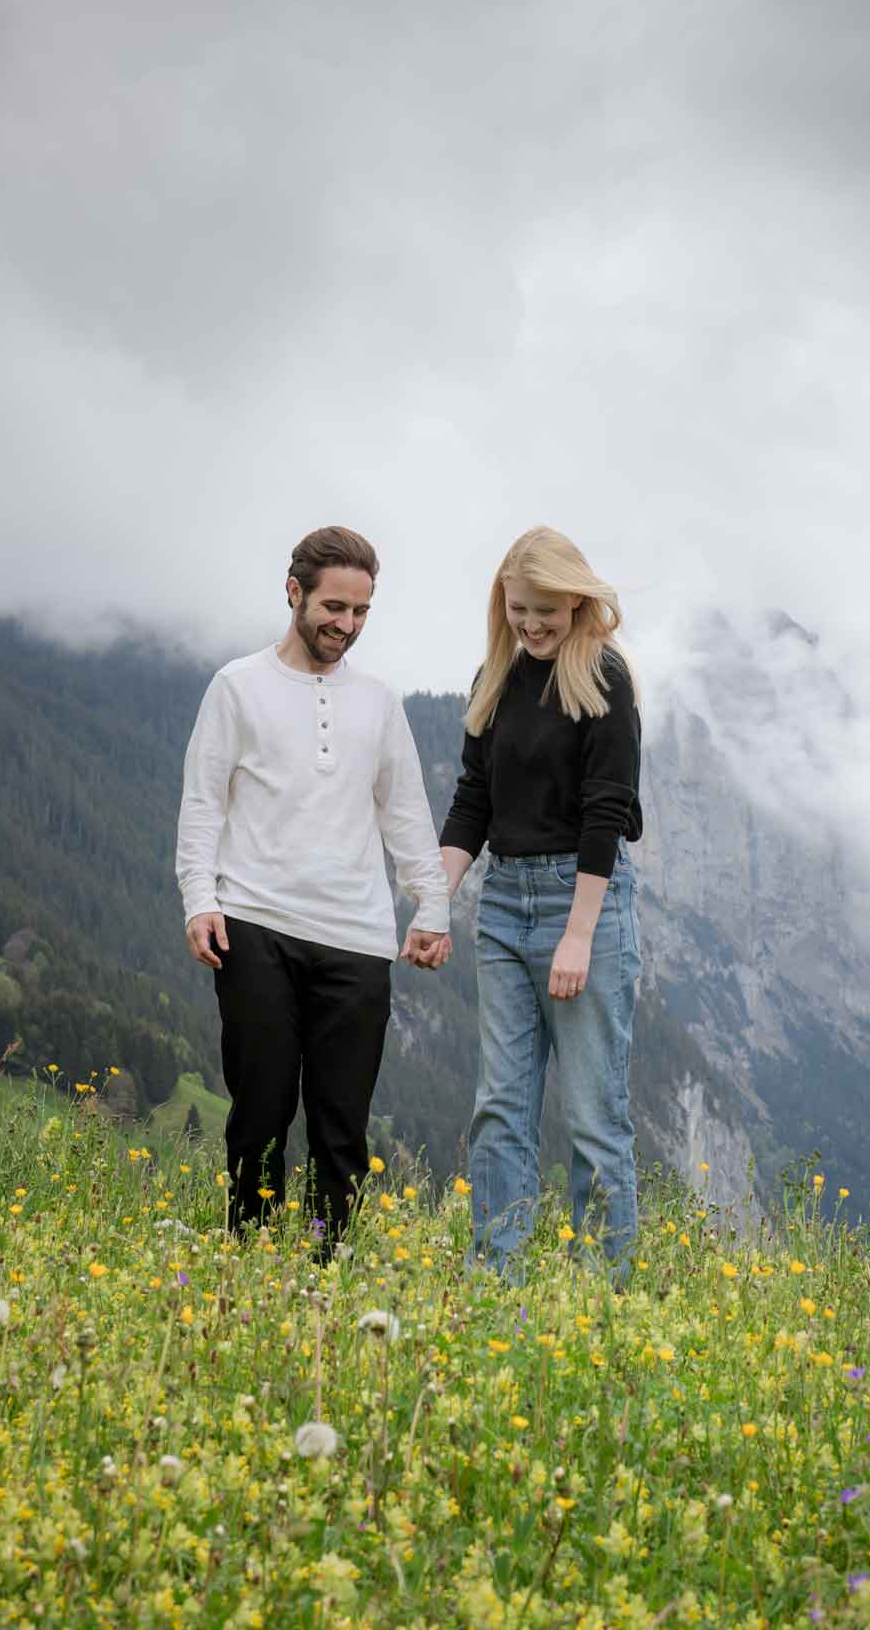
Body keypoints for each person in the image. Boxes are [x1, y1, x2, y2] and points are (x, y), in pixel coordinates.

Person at [176, 525, 451, 1250]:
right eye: (334, 607)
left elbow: (404, 808)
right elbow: (204, 802)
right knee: (261, 1111)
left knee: (341, 1123)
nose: (346, 626)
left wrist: (433, 903)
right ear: (294, 591)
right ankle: (252, 1260)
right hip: (255, 920)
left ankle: (328, 1266)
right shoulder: (236, 686)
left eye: (361, 612)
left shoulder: (379, 702)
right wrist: (199, 900)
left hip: (357, 936)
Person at [439, 526, 642, 1281]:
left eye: (547, 612)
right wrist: (437, 902)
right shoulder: (495, 680)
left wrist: (579, 936)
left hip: (583, 901)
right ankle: (497, 1280)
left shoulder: (605, 680)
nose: (533, 625)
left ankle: (602, 1293)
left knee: (593, 1117)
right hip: (503, 906)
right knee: (500, 1107)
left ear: (579, 604)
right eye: (520, 610)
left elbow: (607, 810)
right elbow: (472, 803)